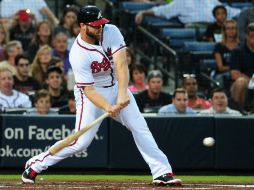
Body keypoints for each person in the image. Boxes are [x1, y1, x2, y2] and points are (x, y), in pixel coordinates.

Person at [21, 5, 182, 186]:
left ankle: (161, 172)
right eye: (95, 25)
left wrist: (121, 94)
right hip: (91, 93)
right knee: (81, 143)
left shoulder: (111, 31)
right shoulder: (78, 53)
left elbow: (121, 65)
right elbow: (89, 90)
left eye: (101, 24)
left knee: (140, 127)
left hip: (117, 86)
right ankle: (37, 163)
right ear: (83, 26)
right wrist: (107, 106)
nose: (100, 28)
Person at [135, 0, 240, 27]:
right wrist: (143, 12)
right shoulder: (182, 1)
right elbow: (162, 10)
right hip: (195, 27)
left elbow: (229, 10)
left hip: (217, 27)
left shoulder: (211, 0)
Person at [229, 23, 254, 113]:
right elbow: (235, 75)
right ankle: (238, 112)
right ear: (247, 36)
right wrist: (252, 81)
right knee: (241, 82)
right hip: (244, 83)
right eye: (252, 36)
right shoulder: (237, 51)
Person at [213, 19, 239, 89]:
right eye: (228, 28)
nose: (231, 30)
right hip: (222, 74)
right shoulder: (219, 46)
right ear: (224, 31)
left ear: (237, 30)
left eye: (233, 28)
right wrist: (235, 68)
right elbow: (221, 67)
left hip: (239, 74)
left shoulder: (241, 46)